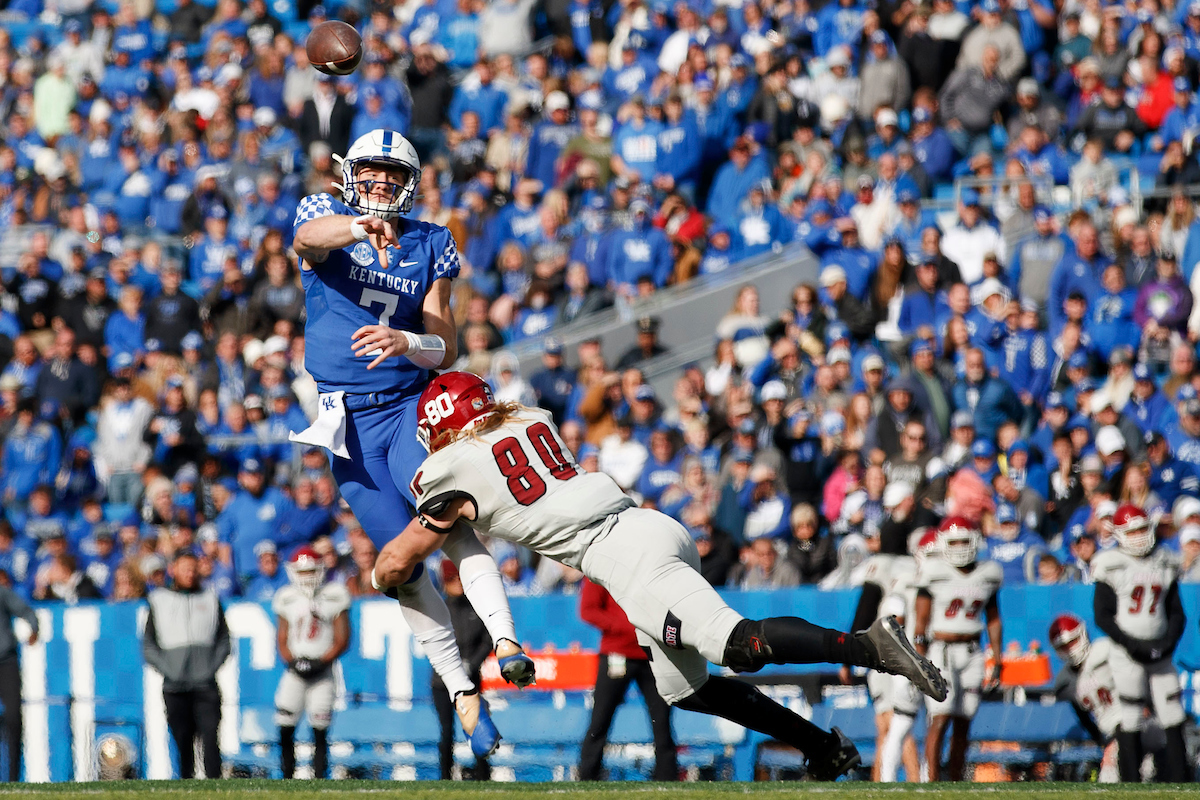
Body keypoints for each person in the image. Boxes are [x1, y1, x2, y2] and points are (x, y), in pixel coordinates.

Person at [372, 372, 949, 780]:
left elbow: (403, 559)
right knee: (688, 689)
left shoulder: (450, 464)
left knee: (739, 644)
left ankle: (871, 647)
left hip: (622, 557)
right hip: (648, 525)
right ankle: (822, 747)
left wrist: (382, 571)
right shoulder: (528, 417)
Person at [289, 129, 534, 757]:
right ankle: (461, 689)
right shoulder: (325, 213)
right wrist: (357, 229)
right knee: (398, 566)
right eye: (370, 174)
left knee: (446, 518)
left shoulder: (430, 241)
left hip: (405, 409)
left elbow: (445, 340)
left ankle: (505, 639)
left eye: (391, 178)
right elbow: (307, 240)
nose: (379, 187)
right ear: (351, 176)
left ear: (409, 185)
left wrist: (407, 343)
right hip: (346, 426)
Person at [1090, 505, 1190, 783]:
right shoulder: (1110, 562)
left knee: (1172, 713)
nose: (1138, 536)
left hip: (1160, 651)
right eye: (1131, 531)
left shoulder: (1164, 560)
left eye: (1141, 529)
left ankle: (1181, 779)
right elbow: (1103, 616)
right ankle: (1130, 782)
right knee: (1130, 715)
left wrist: (1166, 644)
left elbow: (1176, 612)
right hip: (1127, 653)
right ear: (1119, 534)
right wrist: (1132, 644)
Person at [912, 517, 1003, 782]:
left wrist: (996, 657)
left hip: (973, 651)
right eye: (955, 541)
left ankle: (955, 779)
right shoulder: (933, 571)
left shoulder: (989, 573)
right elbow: (921, 622)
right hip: (942, 650)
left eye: (965, 540)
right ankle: (930, 778)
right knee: (940, 716)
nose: (961, 547)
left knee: (965, 720)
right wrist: (918, 659)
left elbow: (994, 618)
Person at [141, 550, 230, 779]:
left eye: (193, 568)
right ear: (173, 570)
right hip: (174, 686)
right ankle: (186, 783)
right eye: (184, 568)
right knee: (182, 739)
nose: (189, 574)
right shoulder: (159, 600)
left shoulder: (210, 598)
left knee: (210, 736)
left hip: (205, 684)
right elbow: (149, 645)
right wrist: (169, 669)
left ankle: (216, 785)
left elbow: (224, 640)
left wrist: (210, 667)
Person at [578, 578, 677, 781]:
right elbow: (588, 610)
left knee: (662, 720)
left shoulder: (652, 567)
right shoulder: (601, 567)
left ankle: (667, 776)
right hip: (617, 654)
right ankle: (588, 775)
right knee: (600, 719)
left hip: (653, 655)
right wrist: (627, 627)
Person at [432, 559, 493, 781]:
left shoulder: (476, 606)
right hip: (443, 682)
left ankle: (483, 774)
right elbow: (433, 642)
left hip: (470, 679)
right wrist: (453, 667)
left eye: (459, 577)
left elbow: (488, 640)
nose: (457, 583)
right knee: (447, 731)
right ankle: (445, 776)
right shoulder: (438, 608)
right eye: (451, 578)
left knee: (476, 727)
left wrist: (471, 663)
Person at [1049, 614, 1119, 762]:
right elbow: (1086, 719)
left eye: (1073, 641)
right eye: (1063, 647)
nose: (1070, 650)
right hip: (1110, 733)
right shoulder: (1065, 682)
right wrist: (1103, 742)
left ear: (1083, 634)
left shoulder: (1105, 651)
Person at [0, 576, 38, 781]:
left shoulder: (2, 592)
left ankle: (14, 776)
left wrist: (34, 627)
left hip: (5, 662)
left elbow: (25, 610)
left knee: (14, 717)